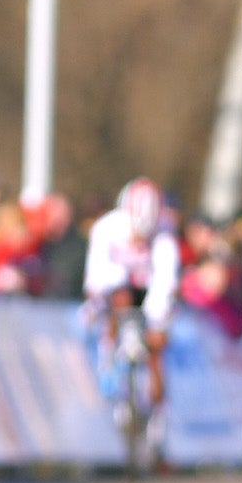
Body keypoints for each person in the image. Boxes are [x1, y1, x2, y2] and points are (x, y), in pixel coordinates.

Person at [82, 177, 179, 450]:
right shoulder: (106, 228)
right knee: (117, 299)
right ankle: (109, 361)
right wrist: (102, 302)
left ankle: (157, 421)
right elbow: (96, 276)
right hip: (118, 287)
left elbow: (166, 278)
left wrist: (155, 319)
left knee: (157, 346)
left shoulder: (165, 229)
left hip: (149, 289)